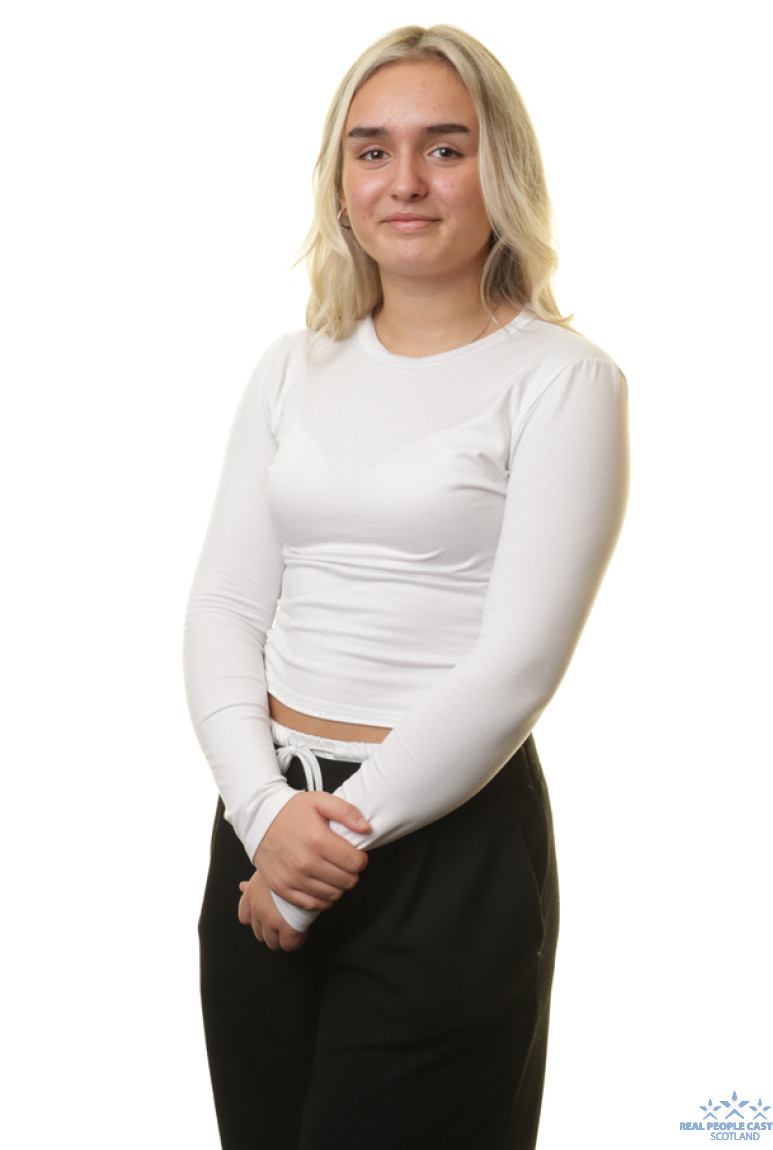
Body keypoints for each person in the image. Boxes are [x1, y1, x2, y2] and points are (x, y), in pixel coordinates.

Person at [184, 23, 629, 1150]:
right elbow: (225, 608)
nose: (406, 181)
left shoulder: (562, 380)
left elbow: (516, 665)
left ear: (500, 168)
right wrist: (262, 815)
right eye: (372, 150)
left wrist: (309, 865)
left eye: (445, 147)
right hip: (263, 820)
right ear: (340, 181)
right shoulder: (292, 367)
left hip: (444, 845)